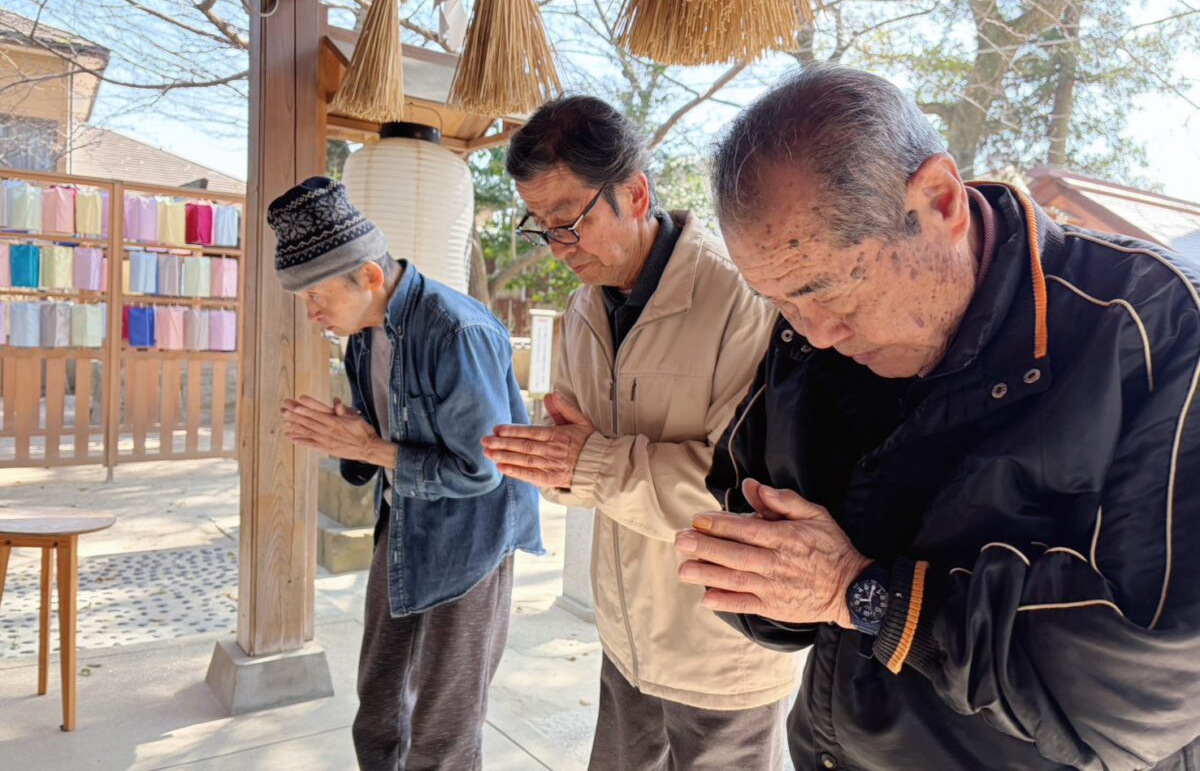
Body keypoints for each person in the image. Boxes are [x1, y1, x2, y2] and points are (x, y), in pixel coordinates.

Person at [673, 62, 1200, 771]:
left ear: (941, 200)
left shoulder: (1157, 330)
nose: (814, 331)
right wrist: (770, 582)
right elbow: (754, 511)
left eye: (826, 290)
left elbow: (1150, 685)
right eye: (779, 301)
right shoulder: (812, 332)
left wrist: (863, 595)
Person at [481, 96, 796, 770]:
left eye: (570, 221)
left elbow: (743, 491)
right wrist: (553, 465)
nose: (558, 247)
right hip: (626, 638)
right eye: (541, 228)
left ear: (635, 193)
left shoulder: (739, 298)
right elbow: (580, 465)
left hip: (720, 647)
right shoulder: (581, 311)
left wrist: (586, 463)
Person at [270, 176, 543, 771]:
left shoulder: (457, 331)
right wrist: (347, 436)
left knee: (443, 729)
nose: (313, 314)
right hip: (402, 526)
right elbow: (375, 444)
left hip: (471, 543)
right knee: (379, 708)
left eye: (317, 297)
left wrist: (369, 448)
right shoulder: (361, 338)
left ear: (369, 276)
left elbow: (480, 471)